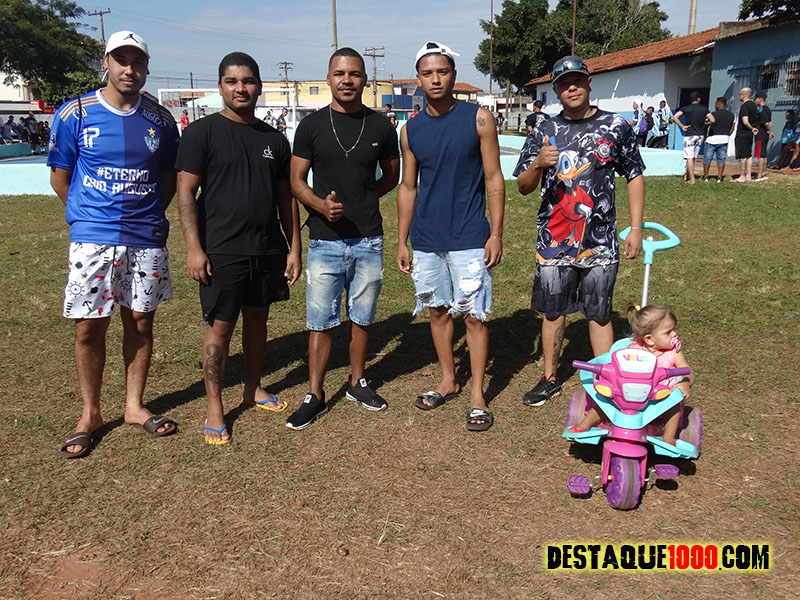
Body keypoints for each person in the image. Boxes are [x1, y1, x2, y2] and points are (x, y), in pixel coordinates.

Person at [47, 30, 180, 458]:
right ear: (105, 63)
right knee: (89, 326)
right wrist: (90, 219)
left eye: (137, 62)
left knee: (140, 322)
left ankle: (134, 406)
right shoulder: (75, 113)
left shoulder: (161, 121)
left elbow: (167, 179)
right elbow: (60, 177)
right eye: (121, 60)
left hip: (145, 238)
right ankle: (90, 414)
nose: (129, 69)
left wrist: (147, 217)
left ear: (146, 68)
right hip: (94, 239)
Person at [175, 52, 302, 445]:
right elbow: (185, 192)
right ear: (220, 87)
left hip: (266, 248)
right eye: (232, 81)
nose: (240, 88)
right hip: (221, 249)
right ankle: (215, 406)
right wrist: (194, 249)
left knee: (258, 321)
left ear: (259, 86)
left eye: (248, 81)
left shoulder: (274, 139)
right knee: (221, 326)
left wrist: (294, 247)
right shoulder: (201, 133)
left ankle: (252, 388)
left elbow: (285, 198)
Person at [514, 55, 644, 407]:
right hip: (554, 241)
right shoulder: (543, 130)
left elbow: (634, 174)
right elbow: (523, 186)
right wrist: (538, 163)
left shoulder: (616, 126)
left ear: (588, 83)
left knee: (599, 312)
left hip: (600, 240)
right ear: (556, 90)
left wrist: (635, 227)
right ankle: (549, 379)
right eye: (563, 83)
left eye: (576, 81)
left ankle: (605, 382)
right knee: (553, 311)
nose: (571, 88)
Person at [285, 47, 400, 430]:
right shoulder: (312, 126)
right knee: (320, 320)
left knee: (362, 317)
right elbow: (296, 180)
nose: (346, 80)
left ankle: (357, 382)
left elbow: (392, 175)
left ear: (365, 79)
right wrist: (320, 205)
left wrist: (366, 199)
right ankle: (315, 395)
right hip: (325, 239)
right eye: (339, 73)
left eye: (354, 74)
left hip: (367, 238)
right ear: (329, 78)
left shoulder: (381, 126)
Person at [396, 41, 505, 431]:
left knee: (473, 316)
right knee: (437, 311)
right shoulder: (410, 130)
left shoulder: (479, 119)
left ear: (454, 75)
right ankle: (448, 380)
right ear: (418, 79)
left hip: (470, 235)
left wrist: (496, 233)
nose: (436, 79)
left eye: (442, 71)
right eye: (428, 73)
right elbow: (408, 187)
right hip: (427, 238)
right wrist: (402, 240)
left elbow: (494, 178)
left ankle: (477, 394)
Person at [566, 304, 695, 445]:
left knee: (674, 405)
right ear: (649, 339)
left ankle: (668, 438)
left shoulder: (673, 353)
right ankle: (584, 425)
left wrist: (685, 383)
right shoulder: (632, 351)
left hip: (660, 396)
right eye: (668, 332)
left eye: (674, 329)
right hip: (628, 394)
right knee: (606, 401)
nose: (675, 334)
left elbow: (688, 371)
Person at [672, 92, 713, 184]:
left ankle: (692, 179)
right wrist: (705, 123)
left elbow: (675, 117)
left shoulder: (686, 108)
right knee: (693, 157)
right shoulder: (704, 109)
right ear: (698, 99)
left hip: (690, 134)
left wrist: (682, 126)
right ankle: (687, 176)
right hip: (700, 135)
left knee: (689, 157)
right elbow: (713, 120)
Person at [702, 97, 734, 183]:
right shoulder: (731, 115)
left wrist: (705, 136)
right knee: (721, 159)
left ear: (718, 104)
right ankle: (719, 177)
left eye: (716, 104)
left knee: (707, 158)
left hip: (711, 139)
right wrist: (727, 135)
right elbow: (732, 128)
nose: (715, 105)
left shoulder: (712, 114)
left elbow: (705, 125)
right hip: (724, 139)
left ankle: (706, 177)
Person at [734, 87, 758, 183]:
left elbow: (745, 121)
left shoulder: (745, 106)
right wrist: (753, 129)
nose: (740, 96)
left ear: (744, 95)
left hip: (743, 133)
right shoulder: (754, 106)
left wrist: (751, 128)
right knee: (749, 154)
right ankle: (749, 175)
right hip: (749, 134)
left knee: (743, 156)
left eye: (740, 94)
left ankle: (742, 176)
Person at [753, 92, 773, 181]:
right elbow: (770, 122)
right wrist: (769, 131)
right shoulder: (768, 109)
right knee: (764, 154)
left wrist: (768, 129)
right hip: (765, 134)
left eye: (756, 99)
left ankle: (759, 174)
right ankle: (764, 172)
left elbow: (766, 123)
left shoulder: (761, 110)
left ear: (760, 99)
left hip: (761, 134)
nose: (755, 101)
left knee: (760, 154)